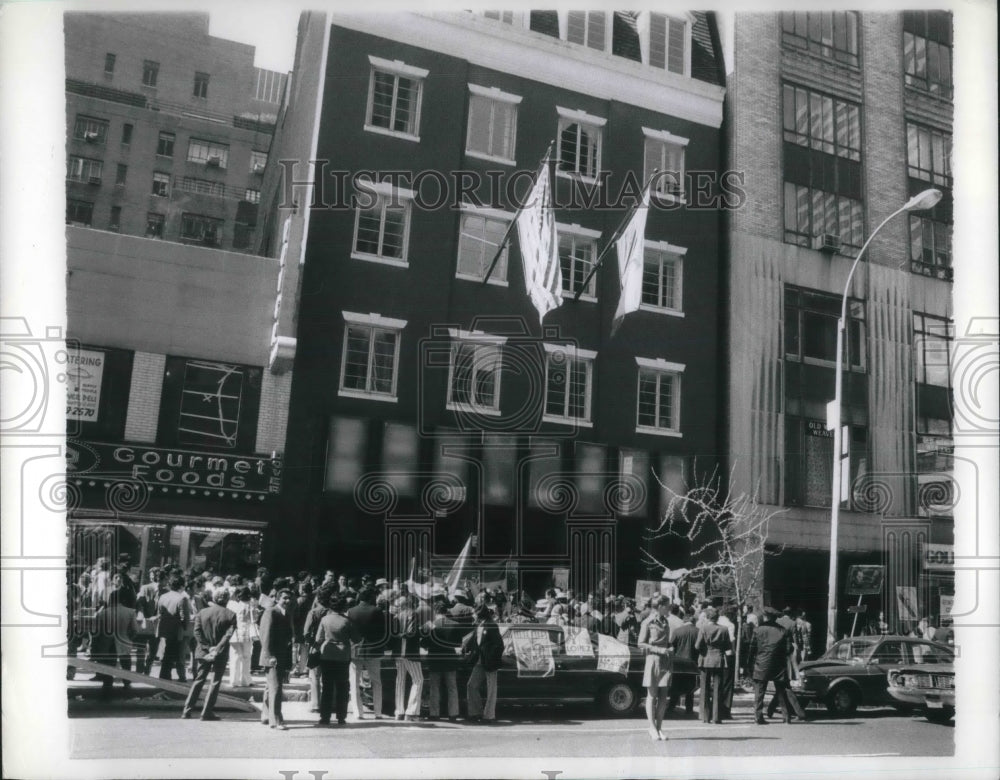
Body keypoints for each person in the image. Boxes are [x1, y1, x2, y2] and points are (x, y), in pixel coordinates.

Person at [182, 587, 237, 721]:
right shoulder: (230, 614)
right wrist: (216, 648)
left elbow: (197, 632)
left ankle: (187, 710)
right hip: (220, 652)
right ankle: (206, 711)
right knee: (215, 681)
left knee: (199, 680)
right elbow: (228, 635)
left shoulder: (202, 612)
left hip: (203, 651)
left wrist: (207, 648)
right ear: (227, 599)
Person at [314, 592, 360, 726]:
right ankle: (341, 717)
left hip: (327, 654)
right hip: (343, 655)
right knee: (342, 687)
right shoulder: (347, 621)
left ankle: (325, 717)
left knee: (327, 686)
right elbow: (356, 639)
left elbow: (318, 639)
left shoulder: (325, 620)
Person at [749, 607, 801, 724]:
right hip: (778, 665)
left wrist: (749, 664)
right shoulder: (783, 631)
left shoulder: (758, 630)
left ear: (765, 617)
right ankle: (786, 717)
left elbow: (752, 649)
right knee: (781, 691)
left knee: (759, 692)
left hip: (761, 664)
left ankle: (758, 717)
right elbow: (788, 649)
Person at [347, 587, 388, 719]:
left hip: (355, 650)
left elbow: (348, 631)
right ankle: (378, 712)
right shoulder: (377, 611)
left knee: (354, 682)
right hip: (373, 650)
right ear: (371, 597)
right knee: (377, 682)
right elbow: (383, 632)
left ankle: (358, 712)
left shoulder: (351, 611)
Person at [91, 588, 138, 699]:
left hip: (107, 644)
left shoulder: (102, 613)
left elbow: (96, 633)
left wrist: (95, 648)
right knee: (126, 665)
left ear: (110, 600)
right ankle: (127, 685)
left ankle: (107, 690)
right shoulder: (130, 612)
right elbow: (135, 630)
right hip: (124, 643)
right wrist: (128, 638)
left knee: (108, 667)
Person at [637, 595, 673, 740]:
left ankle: (659, 728)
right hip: (653, 660)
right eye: (667, 605)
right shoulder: (647, 622)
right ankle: (651, 727)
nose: (669, 608)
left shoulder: (666, 622)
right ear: (660, 606)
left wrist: (670, 647)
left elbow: (667, 641)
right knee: (652, 695)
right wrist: (659, 650)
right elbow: (640, 643)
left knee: (664, 697)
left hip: (666, 661)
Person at [259, 588, 295, 730]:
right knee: (276, 687)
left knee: (270, 687)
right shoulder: (271, 612)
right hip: (272, 657)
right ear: (278, 598)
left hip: (281, 655)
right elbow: (265, 636)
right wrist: (270, 656)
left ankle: (266, 715)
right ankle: (276, 720)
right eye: (284, 598)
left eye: (289, 598)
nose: (287, 601)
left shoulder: (286, 613)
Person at [463, 603, 504, 723]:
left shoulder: (492, 625)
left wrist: (491, 657)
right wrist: (466, 648)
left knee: (491, 689)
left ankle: (489, 716)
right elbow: (474, 641)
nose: (473, 616)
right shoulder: (479, 626)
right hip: (480, 661)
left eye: (475, 614)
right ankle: (475, 712)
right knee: (471, 685)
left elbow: (499, 645)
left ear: (480, 615)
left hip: (490, 662)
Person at [423, 600, 462, 721]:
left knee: (434, 687)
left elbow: (424, 643)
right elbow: (458, 644)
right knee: (452, 688)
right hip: (450, 659)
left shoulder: (430, 625)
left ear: (435, 611)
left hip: (434, 659)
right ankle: (453, 714)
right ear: (446, 611)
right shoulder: (455, 624)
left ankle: (434, 713)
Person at [694, 606, 731, 724]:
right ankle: (716, 716)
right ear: (717, 617)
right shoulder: (724, 629)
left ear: (707, 617)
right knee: (718, 689)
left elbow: (697, 645)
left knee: (704, 688)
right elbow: (728, 647)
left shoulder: (703, 628)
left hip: (705, 659)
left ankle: (705, 716)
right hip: (719, 660)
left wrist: (704, 651)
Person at [392, 594, 425, 721]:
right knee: (418, 680)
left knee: (400, 680)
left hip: (398, 651)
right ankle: (411, 711)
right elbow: (411, 633)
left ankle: (399, 711)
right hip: (409, 651)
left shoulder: (395, 616)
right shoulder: (413, 614)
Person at [156, 573, 190, 682]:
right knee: (172, 656)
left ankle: (164, 677)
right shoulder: (182, 598)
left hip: (163, 629)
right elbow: (184, 617)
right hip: (175, 631)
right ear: (181, 586)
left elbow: (159, 612)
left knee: (166, 655)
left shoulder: (163, 596)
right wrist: (186, 627)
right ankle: (166, 678)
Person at [667, 611, 699, 716]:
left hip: (679, 662)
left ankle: (672, 706)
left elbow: (671, 646)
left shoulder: (677, 631)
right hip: (692, 663)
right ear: (693, 621)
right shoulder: (698, 631)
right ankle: (689, 709)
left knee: (676, 685)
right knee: (690, 688)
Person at [135, 568, 166, 675]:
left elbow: (166, 609)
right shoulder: (145, 588)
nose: (153, 578)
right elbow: (139, 604)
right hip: (144, 621)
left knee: (153, 648)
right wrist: (141, 615)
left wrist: (158, 617)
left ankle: (148, 667)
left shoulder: (166, 591)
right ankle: (139, 668)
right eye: (152, 576)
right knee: (141, 646)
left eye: (156, 576)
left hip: (157, 623)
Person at [227, 586, 257, 687]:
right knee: (246, 656)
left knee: (235, 657)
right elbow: (255, 619)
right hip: (247, 633)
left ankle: (234, 681)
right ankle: (245, 680)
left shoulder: (231, 605)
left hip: (234, 633)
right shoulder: (251, 605)